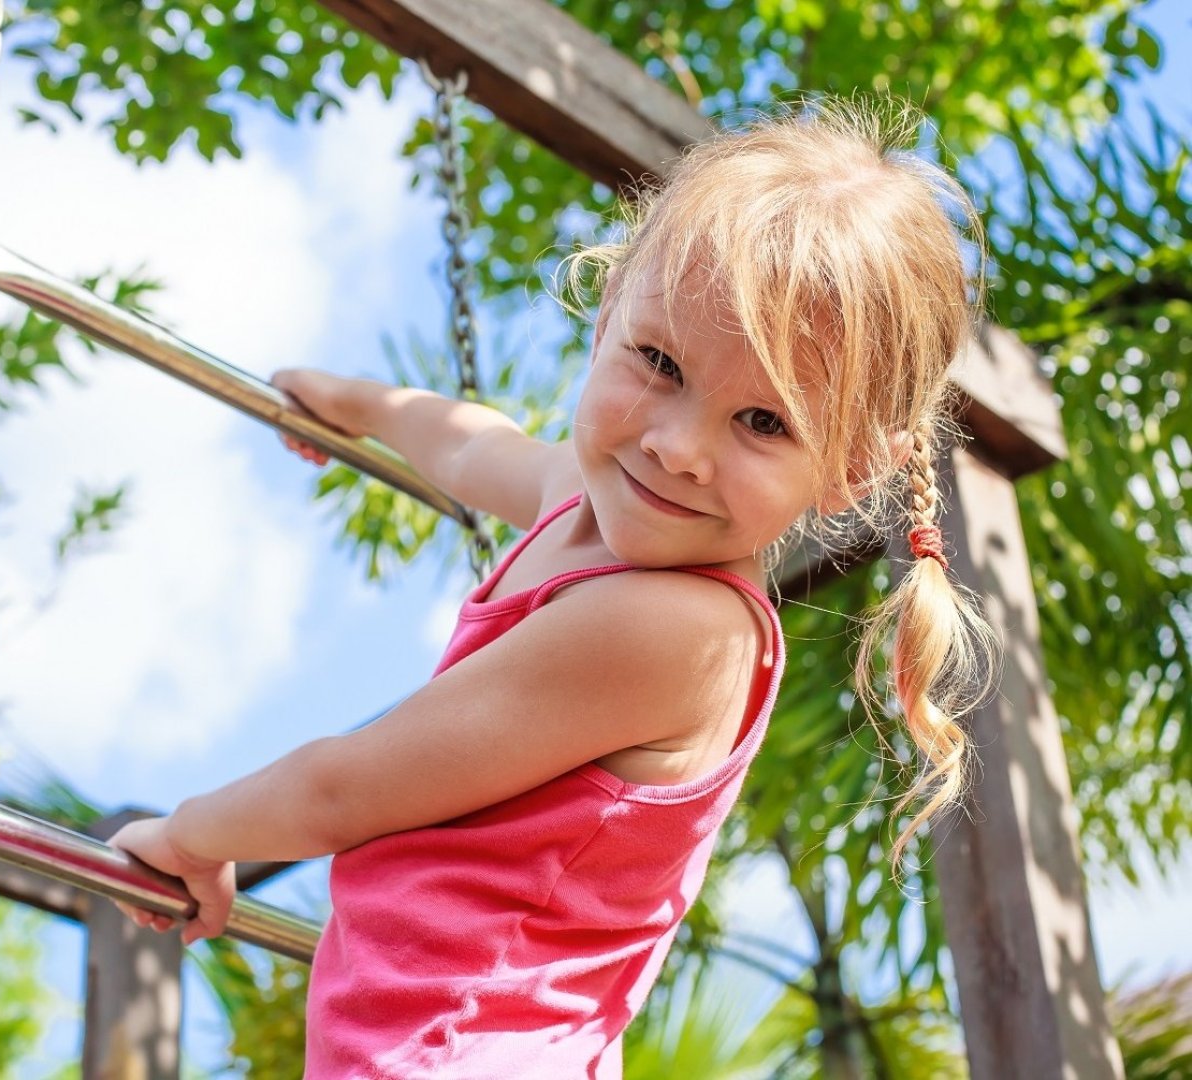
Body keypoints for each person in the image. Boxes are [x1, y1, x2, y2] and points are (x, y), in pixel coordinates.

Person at [108, 96, 995, 1077]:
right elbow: (476, 445)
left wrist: (189, 834)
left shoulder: (677, 631)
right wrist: (360, 406)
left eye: (763, 423)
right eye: (659, 362)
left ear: (849, 471)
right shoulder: (589, 496)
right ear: (608, 308)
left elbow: (342, 788)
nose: (676, 445)